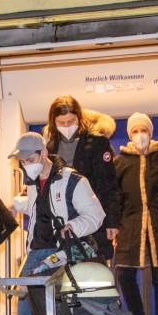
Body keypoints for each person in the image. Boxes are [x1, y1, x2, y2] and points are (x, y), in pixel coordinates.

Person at [9, 131, 105, 315]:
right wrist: (15, 205)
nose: (26, 165)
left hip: (61, 254)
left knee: (56, 314)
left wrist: (74, 226)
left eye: (30, 160)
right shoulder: (33, 183)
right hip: (36, 253)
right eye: (22, 162)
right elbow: (38, 206)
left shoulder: (73, 181)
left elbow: (96, 215)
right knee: (27, 313)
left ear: (43, 154)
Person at [113, 112, 158, 315]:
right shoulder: (121, 162)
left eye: (144, 130)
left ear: (151, 132)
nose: (140, 135)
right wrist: (116, 226)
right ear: (129, 135)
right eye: (135, 131)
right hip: (130, 227)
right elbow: (116, 198)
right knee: (125, 275)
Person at [43, 96, 120, 259]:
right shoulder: (50, 147)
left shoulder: (97, 143)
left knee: (95, 263)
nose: (66, 126)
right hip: (62, 217)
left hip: (92, 213)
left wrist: (112, 221)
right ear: (53, 122)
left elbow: (109, 184)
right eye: (61, 123)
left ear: (79, 118)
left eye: (71, 121)